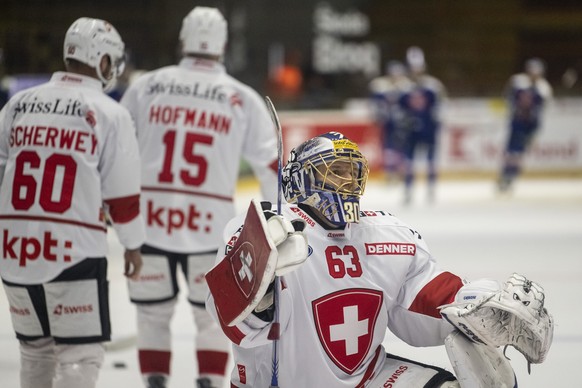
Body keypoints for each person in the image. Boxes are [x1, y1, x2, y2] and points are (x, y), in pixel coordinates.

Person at [206, 131, 554, 387]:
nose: (349, 182)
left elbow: (423, 298)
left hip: (368, 378)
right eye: (335, 171)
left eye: (354, 173)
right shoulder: (266, 229)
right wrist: (260, 293)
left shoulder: (388, 233)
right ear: (301, 179)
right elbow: (224, 313)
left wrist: (473, 305)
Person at [120, 6, 279, 388]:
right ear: (222, 46)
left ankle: (155, 382)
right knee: (210, 317)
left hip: (149, 225)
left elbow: (117, 151)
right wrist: (275, 221)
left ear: (181, 41)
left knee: (152, 316)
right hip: (210, 228)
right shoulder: (241, 97)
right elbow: (272, 167)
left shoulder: (147, 86)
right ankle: (208, 382)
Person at [0, 17, 144, 388]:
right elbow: (123, 198)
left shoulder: (18, 104)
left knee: (34, 353)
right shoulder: (108, 113)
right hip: (73, 253)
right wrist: (132, 245)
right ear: (102, 60)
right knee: (79, 357)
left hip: (15, 251)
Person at [399, 46, 447, 204]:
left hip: (428, 129)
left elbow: (441, 106)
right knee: (409, 161)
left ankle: (431, 189)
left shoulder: (433, 86)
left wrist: (436, 122)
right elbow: (399, 109)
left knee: (431, 160)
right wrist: (404, 122)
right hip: (411, 131)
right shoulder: (403, 87)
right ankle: (408, 190)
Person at [498, 58, 553, 192]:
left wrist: (535, 126)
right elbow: (507, 97)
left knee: (519, 151)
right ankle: (506, 175)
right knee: (512, 150)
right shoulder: (518, 82)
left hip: (530, 124)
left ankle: (511, 176)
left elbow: (543, 109)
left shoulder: (543, 88)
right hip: (517, 122)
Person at [368, 60, 413, 182]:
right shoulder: (380, 85)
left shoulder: (407, 86)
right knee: (388, 147)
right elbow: (375, 104)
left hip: (402, 122)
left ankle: (401, 170)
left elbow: (410, 105)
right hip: (387, 121)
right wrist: (376, 116)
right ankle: (389, 171)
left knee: (402, 147)